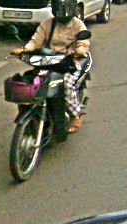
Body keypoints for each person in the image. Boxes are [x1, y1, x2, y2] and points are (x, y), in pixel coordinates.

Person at [11, 0, 91, 135]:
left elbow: (83, 43)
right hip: (49, 61)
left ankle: (77, 115)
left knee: (67, 83)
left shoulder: (77, 24)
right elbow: (35, 41)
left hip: (69, 63)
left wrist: (79, 50)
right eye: (59, 8)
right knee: (33, 81)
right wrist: (24, 49)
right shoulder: (47, 24)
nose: (62, 12)